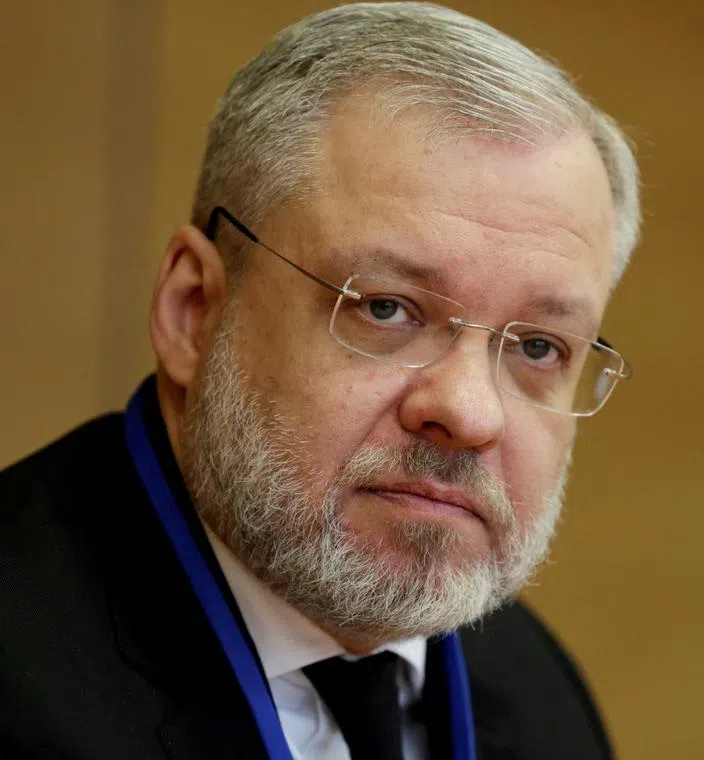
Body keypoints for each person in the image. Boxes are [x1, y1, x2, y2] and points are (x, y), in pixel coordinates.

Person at [0, 3, 640, 758]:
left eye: (537, 346)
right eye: (385, 307)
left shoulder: (540, 699)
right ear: (194, 310)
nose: (469, 413)